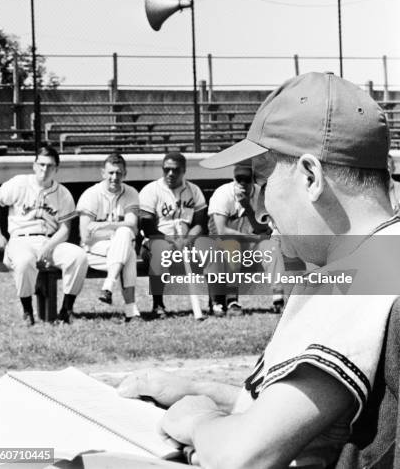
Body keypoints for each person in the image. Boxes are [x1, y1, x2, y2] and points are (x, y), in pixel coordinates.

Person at [119, 72, 400, 468]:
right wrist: (201, 390)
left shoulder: (365, 271)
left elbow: (244, 456)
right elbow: (299, 413)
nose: (263, 210)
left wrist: (198, 421)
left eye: (264, 181)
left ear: (310, 176)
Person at [0, 144, 88, 325]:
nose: (44, 169)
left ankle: (66, 310)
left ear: (56, 168)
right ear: (34, 165)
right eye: (41, 164)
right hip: (21, 239)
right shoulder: (19, 183)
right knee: (24, 261)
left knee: (78, 256)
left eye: (49, 166)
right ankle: (27, 311)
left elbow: (65, 229)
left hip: (50, 240)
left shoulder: (63, 194)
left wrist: (49, 246)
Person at [206, 161, 284, 316]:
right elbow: (221, 231)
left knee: (271, 247)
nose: (242, 183)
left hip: (250, 243)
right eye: (238, 179)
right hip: (223, 243)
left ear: (253, 180)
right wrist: (253, 238)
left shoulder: (261, 195)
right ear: (233, 179)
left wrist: (247, 207)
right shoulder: (223, 193)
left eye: (246, 180)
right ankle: (231, 301)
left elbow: (264, 230)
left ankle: (279, 300)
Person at [138, 151, 207, 317]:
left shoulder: (194, 190)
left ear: (184, 171)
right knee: (161, 250)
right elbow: (147, 228)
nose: (170, 173)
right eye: (166, 169)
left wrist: (188, 239)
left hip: (186, 240)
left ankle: (217, 303)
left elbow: (200, 223)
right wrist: (172, 241)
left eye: (175, 170)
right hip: (156, 239)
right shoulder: (151, 190)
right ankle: (158, 305)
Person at [76, 153, 140, 319]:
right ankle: (131, 309)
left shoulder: (131, 193)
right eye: (111, 173)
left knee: (125, 237)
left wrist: (106, 225)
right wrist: (115, 233)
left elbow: (132, 225)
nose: (114, 177)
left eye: (119, 173)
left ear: (125, 174)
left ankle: (108, 286)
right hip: (93, 251)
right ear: (103, 173)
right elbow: (85, 235)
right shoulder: (91, 194)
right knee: (128, 250)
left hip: (115, 250)